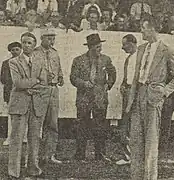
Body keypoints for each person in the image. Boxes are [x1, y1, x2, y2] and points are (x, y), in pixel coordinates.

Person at [125, 18, 174, 180]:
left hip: (154, 98)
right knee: (136, 141)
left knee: (151, 142)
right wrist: (131, 100)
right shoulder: (141, 49)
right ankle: (135, 176)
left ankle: (150, 177)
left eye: (143, 28)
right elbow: (137, 76)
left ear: (152, 29)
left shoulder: (167, 50)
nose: (141, 32)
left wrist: (164, 92)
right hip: (139, 97)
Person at [8, 32, 50, 179]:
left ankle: (33, 168)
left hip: (36, 104)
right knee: (17, 138)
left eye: (30, 43)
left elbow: (44, 82)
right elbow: (18, 83)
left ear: (34, 45)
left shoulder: (40, 60)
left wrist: (33, 84)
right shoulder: (13, 62)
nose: (26, 45)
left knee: (34, 137)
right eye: (24, 42)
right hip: (19, 104)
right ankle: (14, 171)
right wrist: (35, 81)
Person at [70, 33, 116, 161]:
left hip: (99, 98)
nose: (99, 50)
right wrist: (84, 83)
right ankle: (80, 154)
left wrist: (109, 84)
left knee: (100, 126)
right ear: (90, 48)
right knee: (82, 125)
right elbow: (73, 78)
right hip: (84, 98)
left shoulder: (106, 59)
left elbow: (112, 73)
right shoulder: (78, 60)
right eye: (97, 47)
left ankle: (100, 154)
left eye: (100, 47)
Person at [34, 28, 64, 165]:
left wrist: (60, 77)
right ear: (42, 38)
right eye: (48, 38)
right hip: (41, 90)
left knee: (52, 123)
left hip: (53, 89)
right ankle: (35, 155)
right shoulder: (35, 53)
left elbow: (59, 69)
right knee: (37, 123)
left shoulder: (55, 53)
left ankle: (49, 154)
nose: (51, 41)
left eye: (53, 38)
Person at [115, 34, 138, 166]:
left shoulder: (141, 58)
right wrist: (123, 85)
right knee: (125, 123)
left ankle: (134, 155)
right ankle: (127, 154)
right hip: (128, 92)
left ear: (132, 43)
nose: (123, 47)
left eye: (125, 44)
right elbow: (126, 77)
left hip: (136, 93)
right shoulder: (129, 59)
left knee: (133, 123)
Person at [1, 42, 22, 146]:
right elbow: (3, 78)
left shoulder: (25, 61)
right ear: (10, 51)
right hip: (10, 92)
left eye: (17, 49)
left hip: (23, 92)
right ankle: (10, 138)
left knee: (22, 115)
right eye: (13, 50)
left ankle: (23, 137)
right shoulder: (6, 63)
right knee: (11, 116)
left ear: (21, 50)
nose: (15, 52)